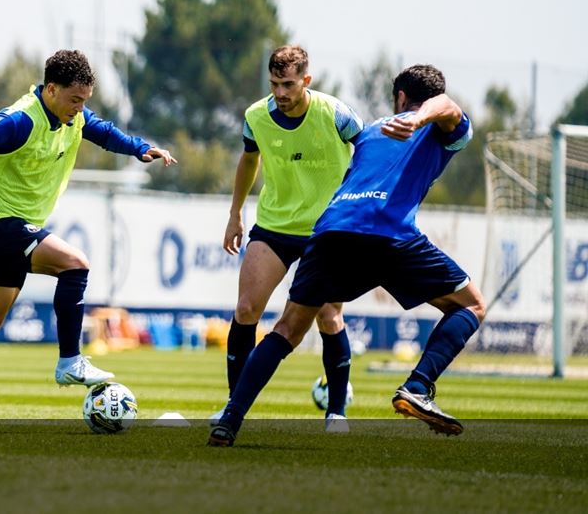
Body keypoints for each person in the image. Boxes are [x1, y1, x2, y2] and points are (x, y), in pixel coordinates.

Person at [0, 49, 177, 416]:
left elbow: (104, 132)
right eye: (74, 100)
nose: (80, 108)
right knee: (75, 264)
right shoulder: (19, 121)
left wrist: (140, 149)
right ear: (51, 90)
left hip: (16, 225)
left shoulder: (74, 116)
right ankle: (70, 361)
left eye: (85, 101)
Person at [208, 64, 486, 447]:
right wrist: (420, 120)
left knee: (287, 329)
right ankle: (417, 386)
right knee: (471, 306)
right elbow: (448, 108)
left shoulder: (372, 130)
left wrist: (413, 117)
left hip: (330, 231)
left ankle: (229, 420)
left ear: (399, 97)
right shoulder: (436, 128)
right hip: (390, 233)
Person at [217, 45, 363, 431]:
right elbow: (249, 159)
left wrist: (358, 205)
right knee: (246, 309)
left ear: (306, 81)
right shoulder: (255, 117)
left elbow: (369, 152)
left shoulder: (336, 114)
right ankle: (235, 408)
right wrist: (235, 215)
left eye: (288, 84)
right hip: (274, 227)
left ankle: (336, 412)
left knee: (329, 316)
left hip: (327, 232)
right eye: (274, 84)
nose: (280, 93)